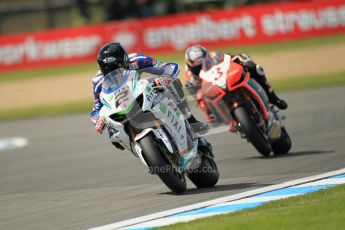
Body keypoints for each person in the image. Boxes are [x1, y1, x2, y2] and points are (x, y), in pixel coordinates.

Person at [91, 42, 208, 150]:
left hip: (138, 95)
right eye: (107, 69)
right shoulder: (98, 81)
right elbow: (97, 108)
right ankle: (142, 148)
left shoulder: (136, 60)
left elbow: (168, 67)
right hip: (119, 107)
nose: (114, 71)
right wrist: (98, 120)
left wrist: (165, 77)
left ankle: (190, 120)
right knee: (112, 134)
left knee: (171, 83)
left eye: (116, 67)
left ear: (124, 59)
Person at [184, 45, 288, 123]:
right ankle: (231, 121)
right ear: (190, 65)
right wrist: (206, 106)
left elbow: (231, 58)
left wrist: (243, 59)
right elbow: (196, 97)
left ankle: (273, 98)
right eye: (198, 67)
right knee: (209, 111)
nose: (202, 66)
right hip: (214, 93)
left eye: (203, 62)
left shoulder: (214, 55)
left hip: (227, 80)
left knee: (256, 69)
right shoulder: (190, 77)